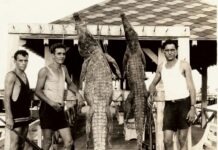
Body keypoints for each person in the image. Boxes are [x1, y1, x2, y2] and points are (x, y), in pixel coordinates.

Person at [149, 39, 196, 150]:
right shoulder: (161, 67)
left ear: (176, 51)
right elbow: (152, 84)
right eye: (167, 50)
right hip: (169, 106)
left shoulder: (184, 65)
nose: (170, 52)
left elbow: (192, 88)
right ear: (163, 52)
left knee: (182, 140)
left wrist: (193, 107)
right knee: (167, 140)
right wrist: (152, 90)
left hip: (184, 104)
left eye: (172, 50)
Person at [35, 43, 84, 150]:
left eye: (63, 54)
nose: (62, 56)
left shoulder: (64, 69)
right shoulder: (44, 71)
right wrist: (51, 103)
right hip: (47, 109)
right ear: (53, 55)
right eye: (59, 54)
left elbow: (70, 84)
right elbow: (37, 91)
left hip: (60, 109)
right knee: (47, 142)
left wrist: (78, 94)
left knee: (69, 142)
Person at [4, 50, 32, 150]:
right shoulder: (11, 75)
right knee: (14, 144)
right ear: (15, 61)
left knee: (22, 144)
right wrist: (9, 117)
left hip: (25, 115)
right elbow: (6, 98)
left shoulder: (24, 75)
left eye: (25, 60)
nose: (23, 63)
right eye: (20, 60)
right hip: (16, 116)